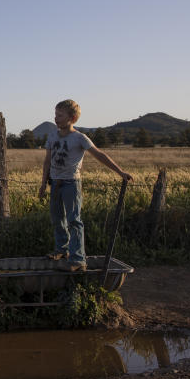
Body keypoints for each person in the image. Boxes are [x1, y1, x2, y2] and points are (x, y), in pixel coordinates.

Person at [38, 99, 132, 272]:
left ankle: (78, 259)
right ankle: (62, 250)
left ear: (72, 118)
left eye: (60, 115)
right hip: (55, 183)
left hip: (71, 184)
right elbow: (47, 161)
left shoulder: (80, 138)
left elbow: (100, 155)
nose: (56, 118)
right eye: (55, 114)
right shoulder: (52, 136)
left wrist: (120, 172)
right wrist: (43, 183)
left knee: (74, 221)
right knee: (57, 219)